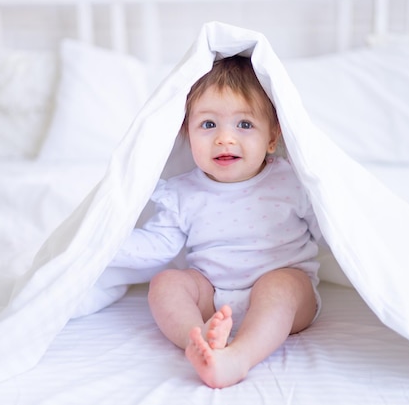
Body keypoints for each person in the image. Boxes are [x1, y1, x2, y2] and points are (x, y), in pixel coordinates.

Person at [110, 55, 322, 388]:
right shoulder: (182, 192)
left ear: (272, 137)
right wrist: (102, 244)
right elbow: (156, 246)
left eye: (245, 124)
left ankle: (239, 356)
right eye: (208, 125)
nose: (224, 138)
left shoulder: (293, 183)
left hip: (285, 292)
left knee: (280, 287)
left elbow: (334, 231)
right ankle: (198, 340)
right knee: (165, 283)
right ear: (186, 132)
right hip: (210, 296)